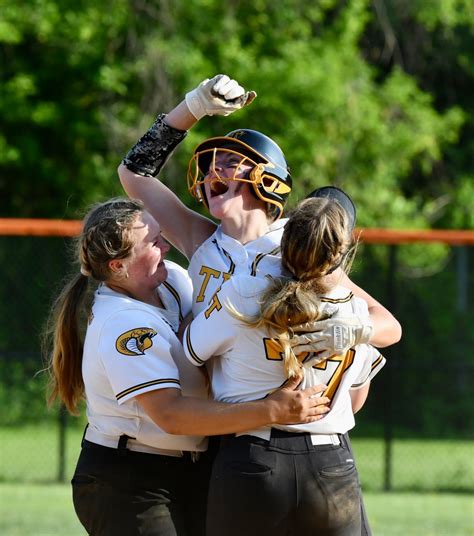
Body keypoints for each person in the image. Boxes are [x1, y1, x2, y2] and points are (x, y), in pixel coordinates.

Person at [44, 197, 331, 536]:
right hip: (129, 479)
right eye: (152, 242)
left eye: (160, 235)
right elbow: (171, 415)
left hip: (186, 468)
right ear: (118, 266)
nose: (165, 245)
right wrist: (270, 410)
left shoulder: (173, 281)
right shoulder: (124, 323)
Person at [118, 73, 401, 355]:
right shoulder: (199, 238)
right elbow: (133, 171)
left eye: (231, 162)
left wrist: (355, 328)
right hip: (216, 399)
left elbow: (389, 325)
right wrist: (194, 106)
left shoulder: (296, 245)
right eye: (211, 165)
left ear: (269, 179)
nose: (214, 170)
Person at [182, 196, 386, 535]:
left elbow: (190, 352)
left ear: (284, 239)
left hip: (251, 455)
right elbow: (357, 396)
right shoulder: (355, 312)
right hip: (331, 462)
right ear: (341, 254)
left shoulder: (243, 291)